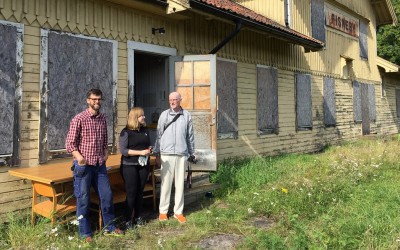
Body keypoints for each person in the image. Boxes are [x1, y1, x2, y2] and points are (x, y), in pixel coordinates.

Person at [66, 88, 123, 241]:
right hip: (84, 167)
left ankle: (110, 227)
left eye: (99, 99)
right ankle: (85, 233)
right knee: (83, 199)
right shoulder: (79, 118)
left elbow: (104, 139)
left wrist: (106, 152)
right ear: (88, 100)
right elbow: (70, 144)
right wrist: (79, 158)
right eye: (93, 99)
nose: (96, 102)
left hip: (99, 165)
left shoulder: (103, 118)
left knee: (107, 196)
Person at [153, 91, 195, 224]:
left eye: (175, 99)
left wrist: (192, 152)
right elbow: (159, 135)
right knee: (166, 184)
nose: (172, 102)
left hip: (181, 154)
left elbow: (190, 136)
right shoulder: (164, 115)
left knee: (179, 185)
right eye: (170, 100)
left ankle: (178, 212)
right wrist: (157, 152)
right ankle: (163, 212)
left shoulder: (186, 115)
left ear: (180, 100)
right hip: (166, 154)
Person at [119, 107, 151, 229]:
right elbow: (124, 151)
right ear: (135, 118)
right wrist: (140, 152)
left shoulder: (145, 130)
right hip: (129, 166)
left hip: (143, 165)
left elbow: (145, 145)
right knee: (131, 193)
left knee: (140, 192)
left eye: (143, 115)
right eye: (141, 116)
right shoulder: (125, 132)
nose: (144, 117)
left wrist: (148, 150)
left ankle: (137, 217)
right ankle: (128, 220)